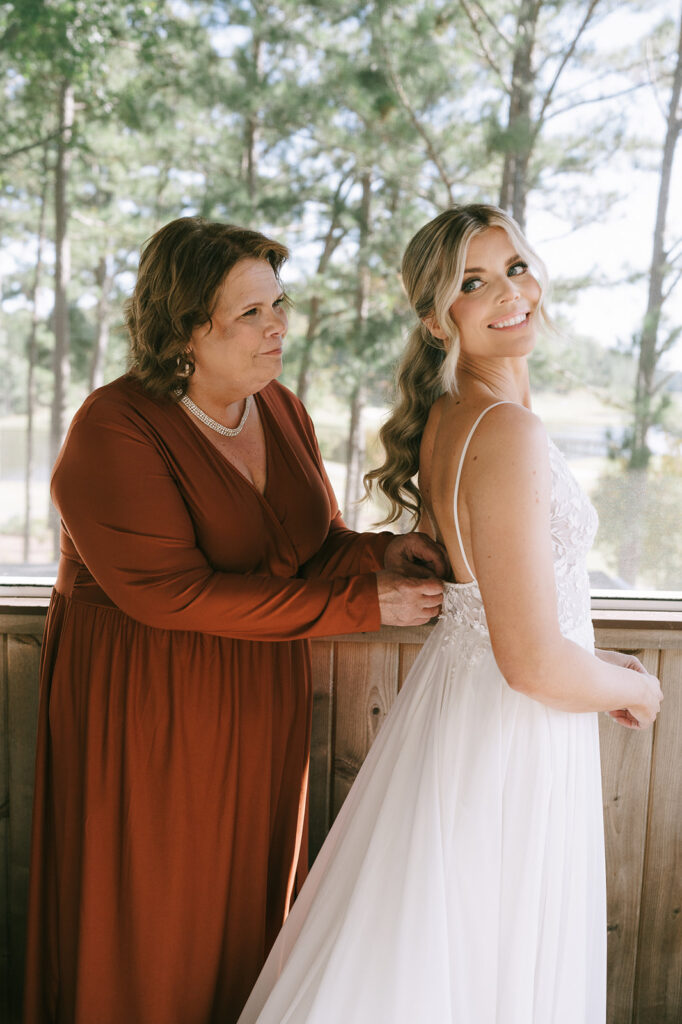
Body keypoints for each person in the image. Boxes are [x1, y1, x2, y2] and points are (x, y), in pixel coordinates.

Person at [237, 204, 663, 1024]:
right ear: (438, 320)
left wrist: (601, 671)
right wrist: (636, 692)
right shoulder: (504, 430)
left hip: (474, 714)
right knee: (473, 960)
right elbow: (533, 661)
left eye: (516, 267)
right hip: (510, 732)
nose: (511, 292)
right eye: (475, 282)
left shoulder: (456, 418)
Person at [23, 217, 447, 1024]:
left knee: (251, 903)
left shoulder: (280, 409)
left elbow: (306, 544)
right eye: (251, 312)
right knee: (155, 909)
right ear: (185, 328)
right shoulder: (114, 427)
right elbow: (167, 593)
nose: (278, 325)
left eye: (278, 304)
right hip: (150, 703)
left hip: (262, 691)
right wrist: (360, 605)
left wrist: (375, 558)